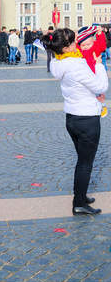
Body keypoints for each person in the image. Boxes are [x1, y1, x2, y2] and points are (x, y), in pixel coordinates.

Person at [45, 27, 108, 215]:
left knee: (82, 161)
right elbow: (101, 86)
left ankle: (81, 195)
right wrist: (98, 65)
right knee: (85, 163)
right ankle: (79, 203)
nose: (76, 44)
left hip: (72, 118)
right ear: (65, 48)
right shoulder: (76, 65)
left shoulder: (58, 62)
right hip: (86, 118)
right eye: (72, 42)